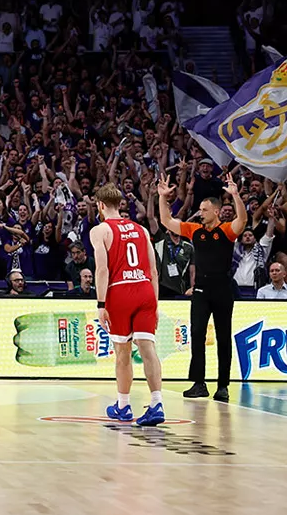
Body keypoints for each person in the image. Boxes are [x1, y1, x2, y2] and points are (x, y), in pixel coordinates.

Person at [157, 171, 245, 402]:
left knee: (223, 337)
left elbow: (243, 221)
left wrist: (235, 196)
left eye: (205, 210)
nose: (200, 212)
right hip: (201, 290)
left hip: (223, 288)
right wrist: (162, 198)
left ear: (216, 211)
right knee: (196, 334)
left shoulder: (225, 230)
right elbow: (166, 221)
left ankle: (223, 386)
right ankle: (199, 383)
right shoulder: (194, 230)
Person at [91, 184, 164, 427]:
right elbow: (153, 270)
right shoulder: (141, 230)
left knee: (123, 353)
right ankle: (157, 403)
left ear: (101, 205)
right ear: (120, 204)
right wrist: (154, 304)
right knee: (148, 349)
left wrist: (101, 304)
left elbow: (102, 269)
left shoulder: (100, 230)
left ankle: (123, 406)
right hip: (144, 290)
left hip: (120, 291)